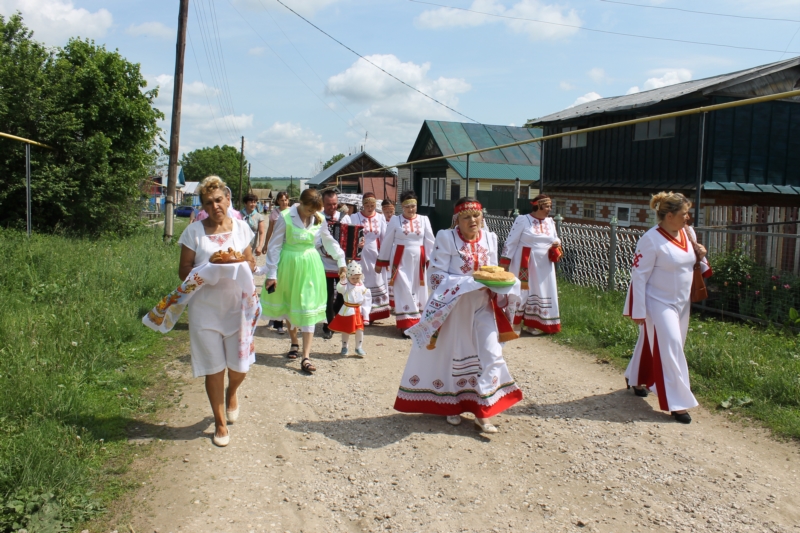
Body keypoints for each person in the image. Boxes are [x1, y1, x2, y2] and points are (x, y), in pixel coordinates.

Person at [394, 197, 523, 433]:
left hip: (483, 306)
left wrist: (502, 286)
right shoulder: (446, 237)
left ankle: (484, 408)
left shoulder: (491, 238)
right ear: (457, 219)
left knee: (492, 354)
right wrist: (467, 282)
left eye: (476, 216)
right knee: (455, 355)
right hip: (454, 308)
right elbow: (435, 276)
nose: (472, 220)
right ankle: (452, 405)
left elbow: (492, 273)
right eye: (466, 217)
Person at [176, 176, 257, 447]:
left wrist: (250, 266)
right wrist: (207, 270)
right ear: (204, 206)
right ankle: (220, 423)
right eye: (209, 203)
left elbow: (249, 259)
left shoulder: (242, 228)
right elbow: (183, 271)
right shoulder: (194, 233)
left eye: (219, 200)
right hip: (205, 310)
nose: (215, 206)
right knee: (214, 367)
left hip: (237, 308)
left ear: (228, 200)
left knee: (240, 367)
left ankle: (232, 391)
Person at [623, 192, 706, 424]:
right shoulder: (650, 239)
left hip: (681, 302)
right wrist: (638, 310)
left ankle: (636, 377)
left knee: (660, 343)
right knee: (671, 349)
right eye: (684, 213)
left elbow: (691, 262)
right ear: (669, 215)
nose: (688, 218)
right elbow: (638, 277)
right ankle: (677, 403)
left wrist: (702, 254)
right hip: (657, 302)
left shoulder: (688, 233)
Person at [260, 188, 347, 373]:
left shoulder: (319, 218)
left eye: (315, 210)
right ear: (300, 203)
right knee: (292, 305)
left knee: (307, 306)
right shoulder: (285, 216)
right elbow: (275, 246)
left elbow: (328, 240)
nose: (312, 214)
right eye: (309, 210)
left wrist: (340, 259)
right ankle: (294, 342)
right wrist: (272, 273)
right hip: (289, 265)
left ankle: (306, 356)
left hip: (311, 266)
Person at [500, 194, 561, 335]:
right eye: (546, 206)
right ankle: (515, 324)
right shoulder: (523, 220)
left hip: (544, 264)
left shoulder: (550, 222)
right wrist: (504, 263)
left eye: (550, 206)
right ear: (537, 206)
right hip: (524, 263)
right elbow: (511, 241)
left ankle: (533, 324)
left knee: (540, 291)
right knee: (522, 291)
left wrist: (557, 243)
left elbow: (555, 237)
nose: (549, 209)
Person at [376, 191, 435, 333]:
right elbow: (387, 241)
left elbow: (430, 241)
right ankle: (406, 324)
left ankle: (417, 322)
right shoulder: (396, 221)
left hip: (419, 261)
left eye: (413, 206)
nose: (411, 209)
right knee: (404, 288)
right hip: (400, 260)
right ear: (402, 207)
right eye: (408, 207)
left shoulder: (424, 220)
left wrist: (432, 261)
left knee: (417, 289)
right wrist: (381, 261)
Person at [350, 193, 391, 323]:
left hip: (375, 255)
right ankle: (360, 313)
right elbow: (350, 235)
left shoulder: (380, 218)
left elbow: (384, 238)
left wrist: (385, 257)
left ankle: (373, 314)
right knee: (360, 282)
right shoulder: (354, 217)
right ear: (362, 205)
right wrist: (355, 243)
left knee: (376, 280)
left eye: (372, 205)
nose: (369, 208)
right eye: (367, 205)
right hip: (359, 256)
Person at [316, 188, 351, 340]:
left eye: (335, 204)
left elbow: (352, 237)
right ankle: (329, 325)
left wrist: (358, 243)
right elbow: (315, 240)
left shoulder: (344, 218)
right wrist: (325, 251)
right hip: (323, 261)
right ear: (323, 203)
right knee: (328, 295)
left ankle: (334, 317)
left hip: (342, 263)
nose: (332, 207)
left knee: (344, 294)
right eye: (329, 204)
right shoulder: (317, 218)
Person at [328, 261, 371, 357]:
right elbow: (340, 289)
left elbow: (366, 299)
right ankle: (344, 347)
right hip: (348, 310)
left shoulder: (361, 286)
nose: (355, 280)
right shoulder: (346, 286)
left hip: (357, 311)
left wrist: (366, 313)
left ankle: (358, 347)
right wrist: (342, 280)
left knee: (359, 330)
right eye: (353, 278)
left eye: (357, 278)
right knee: (346, 330)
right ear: (349, 277)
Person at [263, 191, 290, 334]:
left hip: (289, 250)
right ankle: (276, 318)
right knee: (276, 281)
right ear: (278, 202)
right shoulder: (275, 214)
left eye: (286, 200)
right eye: (281, 200)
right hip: (277, 247)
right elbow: (270, 230)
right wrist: (266, 244)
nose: (284, 203)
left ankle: (283, 317)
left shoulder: (294, 213)